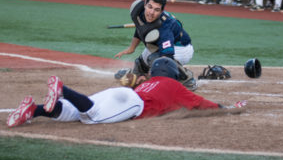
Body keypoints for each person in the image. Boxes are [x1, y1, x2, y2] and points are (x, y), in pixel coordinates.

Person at [7, 57, 247, 127]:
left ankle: (34, 110)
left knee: (73, 113)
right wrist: (227, 109)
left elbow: (130, 82)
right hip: (132, 103)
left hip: (119, 94)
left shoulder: (147, 83)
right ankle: (63, 90)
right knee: (92, 118)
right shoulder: (174, 85)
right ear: (171, 72)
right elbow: (200, 103)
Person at [114, 0, 197, 91]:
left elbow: (167, 57)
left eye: (156, 10)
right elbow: (140, 28)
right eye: (150, 7)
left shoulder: (165, 27)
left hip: (181, 48)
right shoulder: (138, 11)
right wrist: (131, 48)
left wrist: (150, 75)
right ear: (145, 4)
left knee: (155, 60)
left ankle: (186, 78)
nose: (151, 12)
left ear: (162, 11)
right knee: (140, 65)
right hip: (159, 44)